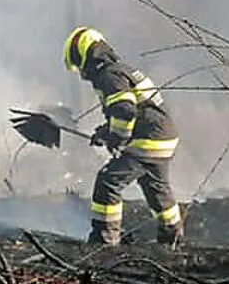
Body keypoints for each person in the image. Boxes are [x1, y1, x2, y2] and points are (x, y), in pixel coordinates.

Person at [63, 27, 184, 246]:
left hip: (149, 139)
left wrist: (117, 137)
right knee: (156, 187)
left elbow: (125, 111)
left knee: (108, 181)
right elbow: (127, 110)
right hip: (163, 136)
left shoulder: (108, 76)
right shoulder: (120, 70)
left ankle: (105, 240)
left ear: (86, 56)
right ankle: (171, 238)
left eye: (79, 65)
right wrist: (105, 133)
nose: (82, 74)